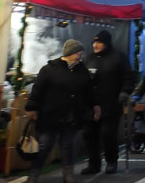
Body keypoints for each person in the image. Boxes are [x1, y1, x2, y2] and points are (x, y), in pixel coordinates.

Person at [25, 39, 100, 183]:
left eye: (81, 52)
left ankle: (68, 175)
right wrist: (31, 107)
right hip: (51, 115)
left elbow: (88, 92)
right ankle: (33, 175)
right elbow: (37, 90)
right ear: (69, 52)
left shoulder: (82, 70)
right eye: (78, 52)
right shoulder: (49, 69)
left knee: (68, 147)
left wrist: (95, 105)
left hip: (72, 116)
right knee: (44, 146)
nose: (80, 55)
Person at [81, 30, 133, 175]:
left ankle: (111, 161)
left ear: (107, 43)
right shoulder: (89, 58)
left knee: (107, 133)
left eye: (99, 42)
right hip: (91, 104)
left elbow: (128, 77)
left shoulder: (118, 57)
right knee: (89, 134)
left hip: (110, 103)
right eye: (94, 42)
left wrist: (125, 91)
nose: (95, 45)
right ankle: (94, 163)